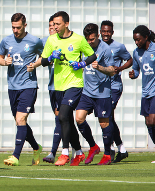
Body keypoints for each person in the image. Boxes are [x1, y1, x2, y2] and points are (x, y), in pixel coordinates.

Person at [41, 11, 96, 166]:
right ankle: (78, 152)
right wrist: (51, 57)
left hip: (75, 84)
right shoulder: (51, 40)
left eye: (58, 24)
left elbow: (92, 56)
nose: (55, 27)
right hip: (58, 86)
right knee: (67, 120)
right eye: (53, 24)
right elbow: (44, 61)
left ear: (66, 23)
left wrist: (81, 64)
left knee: (63, 115)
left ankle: (64, 152)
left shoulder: (78, 39)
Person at [0, 13, 43, 166]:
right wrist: (4, 62)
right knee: (20, 122)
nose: (15, 30)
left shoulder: (35, 41)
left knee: (20, 119)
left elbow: (45, 57)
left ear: (25, 25)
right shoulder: (6, 40)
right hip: (12, 86)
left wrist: (35, 65)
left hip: (29, 85)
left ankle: (15, 156)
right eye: (13, 27)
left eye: (18, 27)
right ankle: (36, 148)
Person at [75, 23, 115, 165]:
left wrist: (100, 68)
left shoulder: (105, 49)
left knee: (104, 123)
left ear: (97, 36)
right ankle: (93, 146)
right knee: (79, 118)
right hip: (87, 91)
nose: (90, 42)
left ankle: (108, 154)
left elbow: (112, 70)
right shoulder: (83, 46)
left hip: (102, 92)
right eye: (87, 39)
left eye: (92, 39)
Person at [42, 16, 75, 164]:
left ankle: (55, 152)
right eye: (50, 25)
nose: (52, 28)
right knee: (65, 119)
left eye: (55, 25)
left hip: (69, 85)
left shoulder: (70, 41)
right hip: (53, 87)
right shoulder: (45, 42)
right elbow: (40, 59)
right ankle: (77, 149)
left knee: (61, 118)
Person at [100, 20, 132, 163]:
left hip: (114, 86)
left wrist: (120, 69)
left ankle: (111, 149)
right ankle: (121, 148)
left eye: (108, 31)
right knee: (108, 118)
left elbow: (130, 60)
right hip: (101, 88)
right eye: (103, 31)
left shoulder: (118, 47)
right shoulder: (96, 46)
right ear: (100, 31)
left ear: (112, 32)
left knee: (107, 116)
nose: (106, 34)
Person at [129, 25, 155, 163]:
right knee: (149, 124)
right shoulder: (136, 53)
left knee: (153, 121)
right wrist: (133, 74)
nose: (137, 42)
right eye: (135, 40)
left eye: (139, 40)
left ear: (146, 37)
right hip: (145, 93)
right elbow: (136, 70)